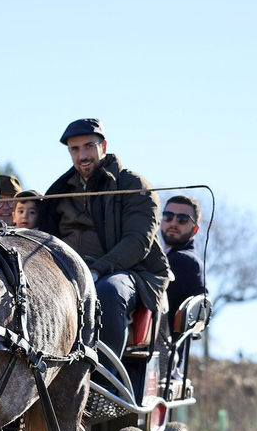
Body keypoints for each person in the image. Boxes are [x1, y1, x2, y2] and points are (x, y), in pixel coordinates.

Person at [38, 118, 170, 355]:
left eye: (89, 146)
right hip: (67, 270)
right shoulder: (60, 191)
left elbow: (137, 242)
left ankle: (104, 375)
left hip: (127, 272)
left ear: (104, 146)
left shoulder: (133, 185)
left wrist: (96, 270)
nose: (82, 155)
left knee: (108, 292)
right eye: (75, 149)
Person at [159, 194, 206, 316]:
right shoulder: (163, 256)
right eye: (168, 216)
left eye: (183, 219)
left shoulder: (185, 261)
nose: (174, 223)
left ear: (195, 230)